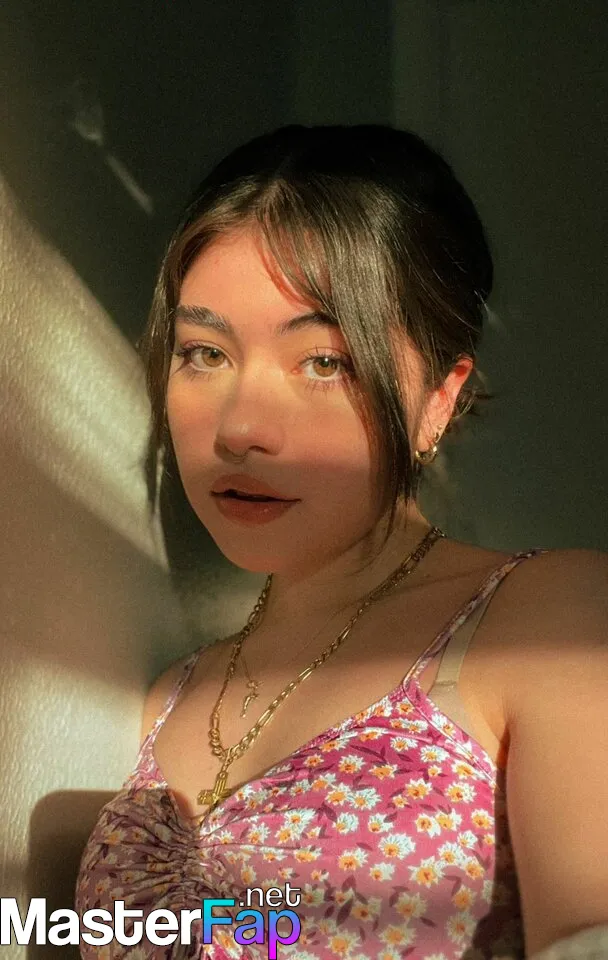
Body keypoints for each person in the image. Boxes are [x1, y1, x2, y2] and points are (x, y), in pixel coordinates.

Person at [76, 124, 608, 960]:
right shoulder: (167, 697)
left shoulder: (546, 620)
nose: (241, 428)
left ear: (438, 400)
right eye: (204, 353)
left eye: (323, 363)